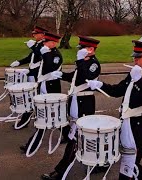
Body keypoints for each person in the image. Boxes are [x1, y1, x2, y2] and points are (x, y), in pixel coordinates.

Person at [87, 40, 142, 180]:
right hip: (127, 124)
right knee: (131, 165)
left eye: (137, 57)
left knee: (129, 166)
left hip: (141, 128)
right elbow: (118, 90)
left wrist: (140, 81)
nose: (134, 60)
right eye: (134, 57)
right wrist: (100, 85)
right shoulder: (134, 73)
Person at [41, 36, 101, 180]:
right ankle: (100, 162)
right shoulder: (84, 62)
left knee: (75, 139)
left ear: (91, 49)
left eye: (82, 49)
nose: (79, 51)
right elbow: (75, 77)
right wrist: (61, 75)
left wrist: (80, 61)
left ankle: (60, 172)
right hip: (76, 101)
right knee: (86, 136)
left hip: (84, 103)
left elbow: (86, 76)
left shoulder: (94, 64)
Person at [20, 32, 63, 154]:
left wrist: (43, 53)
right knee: (56, 117)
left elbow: (50, 67)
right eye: (43, 42)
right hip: (43, 86)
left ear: (54, 43)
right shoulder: (46, 53)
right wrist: (28, 72)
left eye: (46, 42)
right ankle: (67, 133)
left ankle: (31, 145)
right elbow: (40, 68)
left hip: (51, 89)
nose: (43, 44)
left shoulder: (56, 55)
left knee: (44, 119)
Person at [9, 26, 48, 129]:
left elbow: (41, 56)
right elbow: (31, 57)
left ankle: (26, 121)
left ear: (42, 34)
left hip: (38, 76)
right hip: (33, 75)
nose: (34, 35)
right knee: (32, 99)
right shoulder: (38, 44)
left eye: (36, 34)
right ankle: (27, 121)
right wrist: (19, 62)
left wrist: (33, 47)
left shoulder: (45, 45)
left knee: (33, 99)